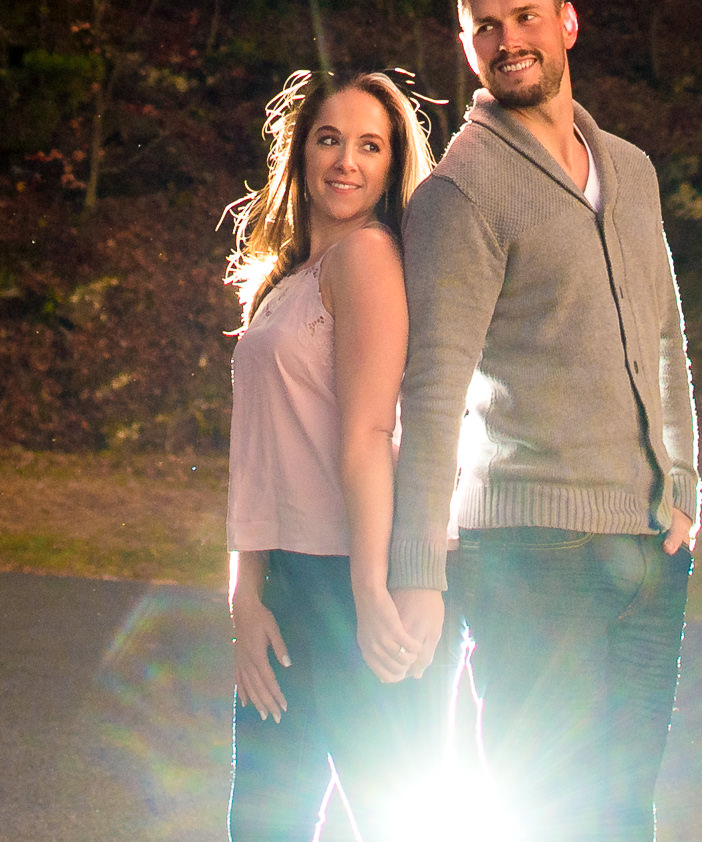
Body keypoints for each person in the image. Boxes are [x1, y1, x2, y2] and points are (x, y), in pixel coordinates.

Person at [376, 0, 701, 841]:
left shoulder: (631, 170)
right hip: (529, 556)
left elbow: (666, 334)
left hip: (644, 548)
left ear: (567, 23)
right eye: (487, 27)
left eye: (525, 18)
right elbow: (431, 387)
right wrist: (417, 569)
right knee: (546, 813)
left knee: (625, 811)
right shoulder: (461, 192)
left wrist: (684, 485)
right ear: (467, 48)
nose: (508, 39)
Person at [223, 67, 436, 841]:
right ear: (301, 153)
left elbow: (370, 434)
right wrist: (246, 597)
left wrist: (374, 590)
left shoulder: (369, 258)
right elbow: (258, 459)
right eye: (330, 139)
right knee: (264, 825)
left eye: (370, 145)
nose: (347, 160)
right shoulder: (287, 280)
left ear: (390, 166)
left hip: (351, 580)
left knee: (391, 821)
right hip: (285, 580)